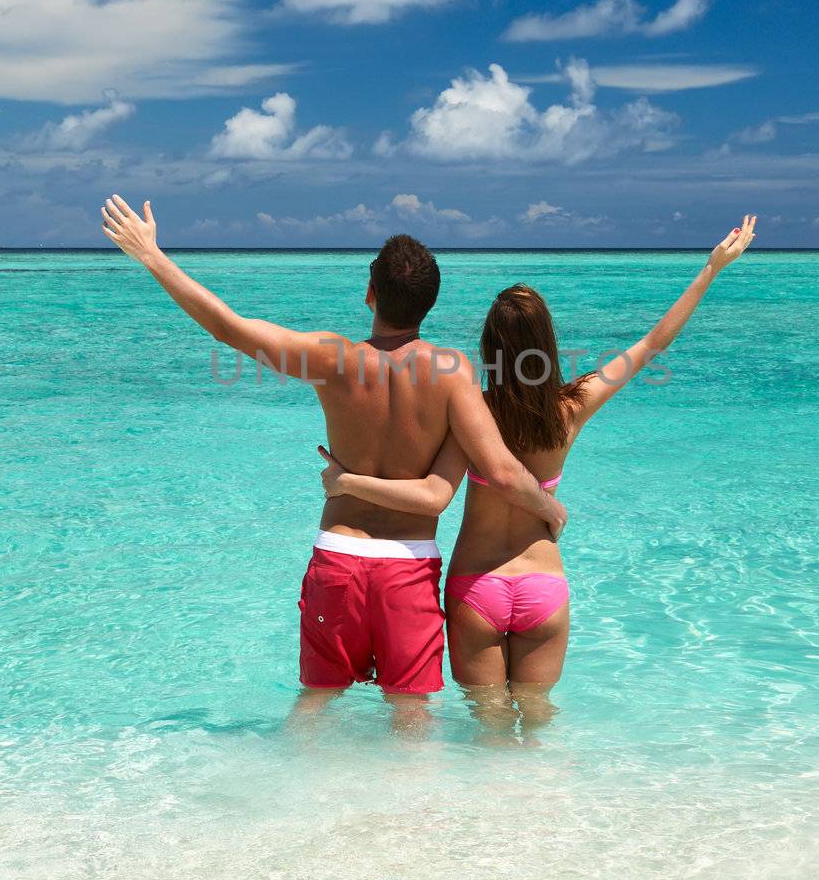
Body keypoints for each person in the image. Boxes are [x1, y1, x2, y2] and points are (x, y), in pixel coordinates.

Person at [99, 198, 567, 714]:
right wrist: (549, 510)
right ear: (429, 304)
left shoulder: (333, 358)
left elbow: (228, 327)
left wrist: (151, 255)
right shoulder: (452, 371)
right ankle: (423, 799)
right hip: (407, 567)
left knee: (315, 703)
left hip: (337, 557)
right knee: (411, 715)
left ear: (370, 295)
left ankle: (289, 790)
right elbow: (500, 472)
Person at [319, 216, 756, 724]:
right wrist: (710, 269)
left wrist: (348, 478)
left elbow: (428, 479)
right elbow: (654, 343)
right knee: (539, 727)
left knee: (490, 728)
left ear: (489, 347)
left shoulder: (470, 413)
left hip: (476, 587)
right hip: (544, 590)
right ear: (547, 343)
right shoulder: (573, 407)